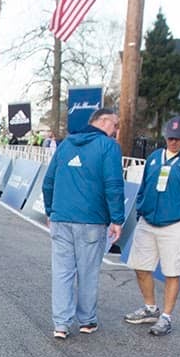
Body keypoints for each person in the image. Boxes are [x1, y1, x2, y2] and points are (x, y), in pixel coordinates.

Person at [40, 106, 124, 340]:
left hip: (62, 217)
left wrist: (50, 210)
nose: (117, 130)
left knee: (62, 272)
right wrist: (117, 218)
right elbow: (113, 185)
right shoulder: (108, 147)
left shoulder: (66, 144)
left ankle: (61, 324)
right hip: (92, 219)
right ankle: (86, 320)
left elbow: (48, 182)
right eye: (115, 125)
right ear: (104, 122)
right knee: (87, 272)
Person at [126, 115, 180, 337]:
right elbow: (144, 186)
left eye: (178, 139)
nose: (173, 142)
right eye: (170, 138)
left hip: (175, 224)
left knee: (172, 271)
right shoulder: (154, 157)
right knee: (141, 266)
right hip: (148, 220)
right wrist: (141, 209)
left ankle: (166, 316)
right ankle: (150, 308)